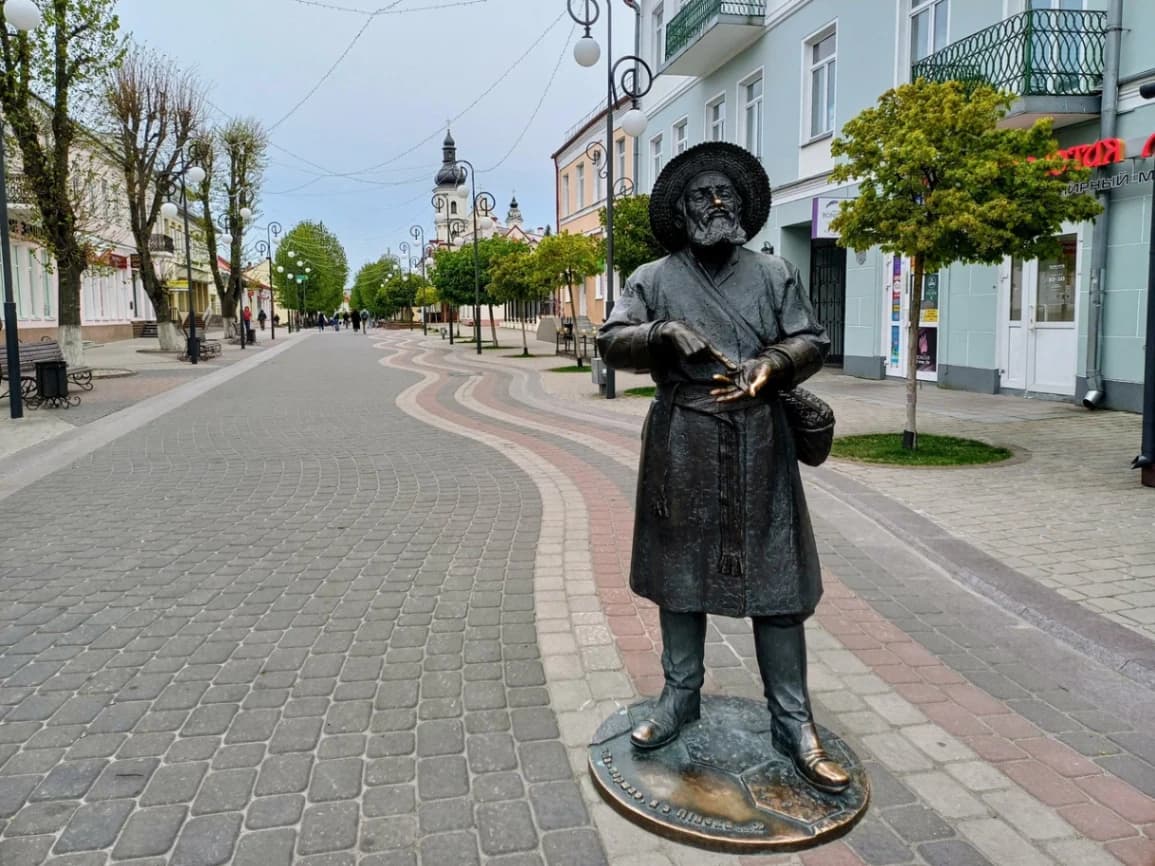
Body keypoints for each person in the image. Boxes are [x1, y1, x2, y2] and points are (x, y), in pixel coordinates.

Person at [597, 142, 847, 794]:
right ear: (681, 211)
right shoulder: (652, 279)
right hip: (682, 442)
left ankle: (791, 721)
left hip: (760, 443)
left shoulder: (772, 274)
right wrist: (656, 335)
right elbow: (610, 340)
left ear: (741, 208)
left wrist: (775, 364)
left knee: (777, 582)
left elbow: (810, 338)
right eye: (702, 196)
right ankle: (680, 697)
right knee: (680, 575)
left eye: (726, 195)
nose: (716, 204)